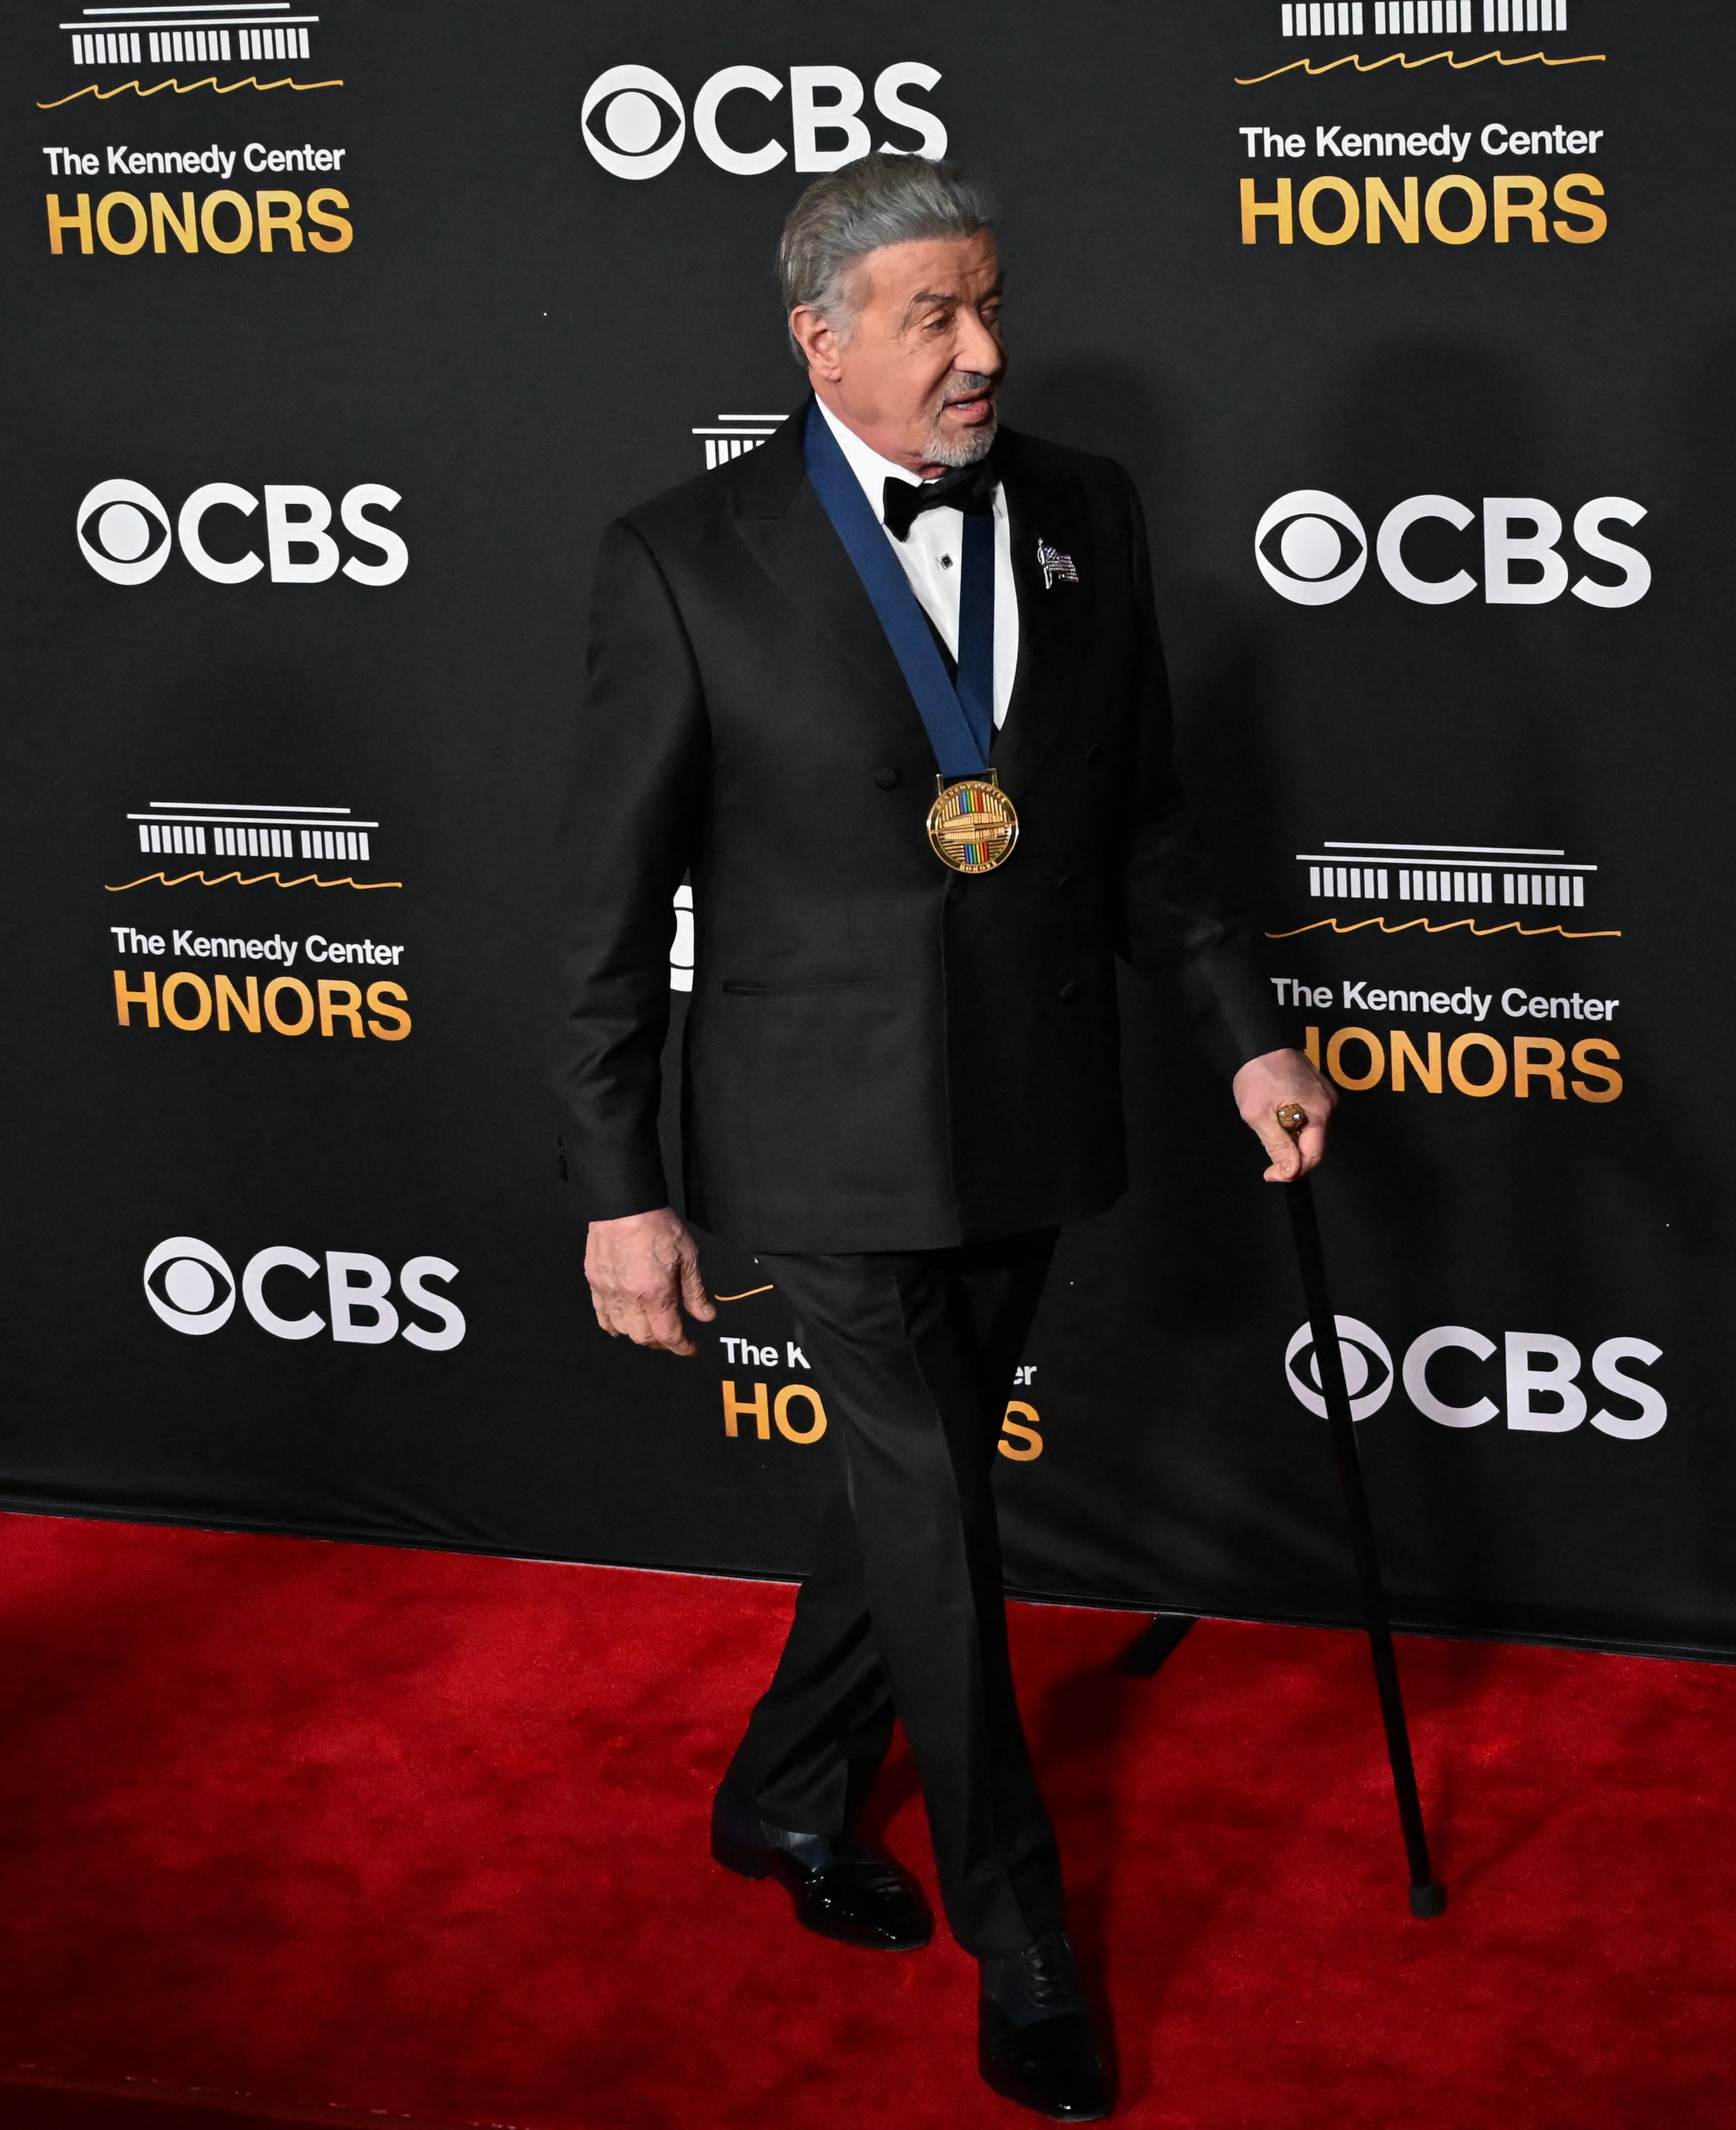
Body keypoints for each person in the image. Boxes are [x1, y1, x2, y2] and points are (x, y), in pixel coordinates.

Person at [553, 152, 1332, 2123]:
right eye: (935, 317)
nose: (984, 351)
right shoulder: (682, 560)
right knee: (943, 1514)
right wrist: (623, 1191)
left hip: (1029, 1107)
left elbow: (1143, 817)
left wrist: (1244, 1037)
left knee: (910, 1502)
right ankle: (1029, 1936)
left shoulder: (1086, 510)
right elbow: (605, 914)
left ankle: (784, 1792)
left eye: (991, 305)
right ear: (819, 344)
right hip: (814, 1145)